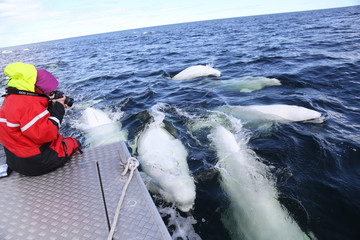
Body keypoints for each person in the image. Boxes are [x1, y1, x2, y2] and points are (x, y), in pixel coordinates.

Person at [0, 62, 82, 176]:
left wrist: (48, 105)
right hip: (36, 162)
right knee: (73, 142)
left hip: (14, 160)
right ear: (38, 90)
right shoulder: (28, 105)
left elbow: (29, 123)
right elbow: (46, 135)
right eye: (49, 92)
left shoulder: (11, 98)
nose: (50, 94)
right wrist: (57, 109)